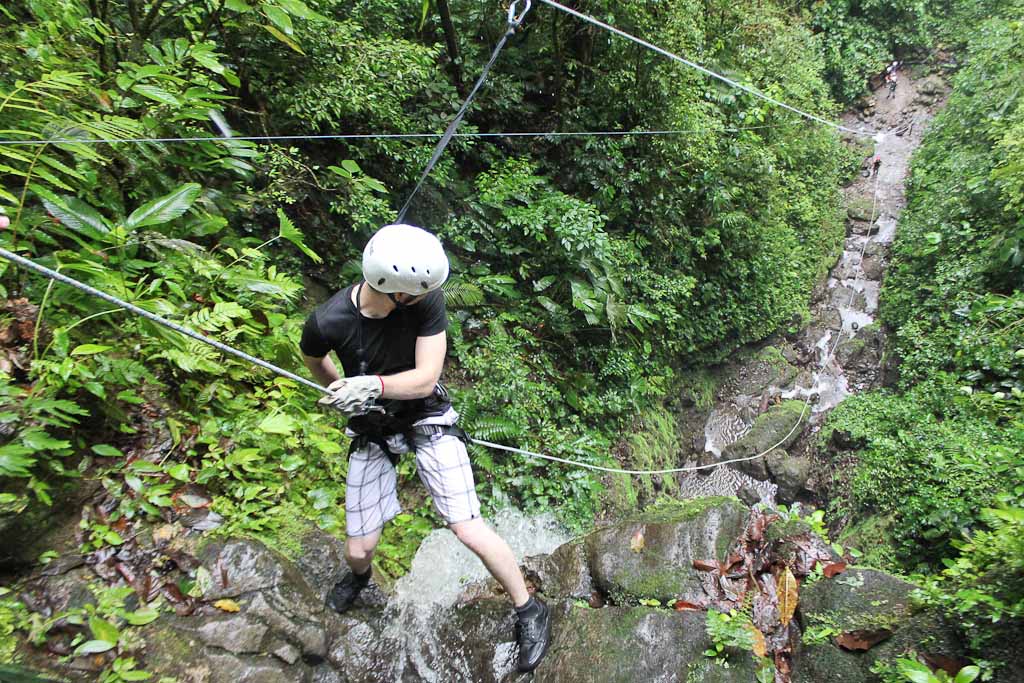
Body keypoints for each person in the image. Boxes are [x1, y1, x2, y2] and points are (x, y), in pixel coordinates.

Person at [300, 224, 552, 673]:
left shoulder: (426, 301)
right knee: (359, 549)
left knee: (466, 526)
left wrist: (371, 384)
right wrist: (339, 389)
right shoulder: (328, 320)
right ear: (396, 292)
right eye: (418, 292)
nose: (431, 294)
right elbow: (313, 357)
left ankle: (529, 608)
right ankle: (359, 579)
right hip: (372, 423)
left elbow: (425, 377)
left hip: (425, 414)